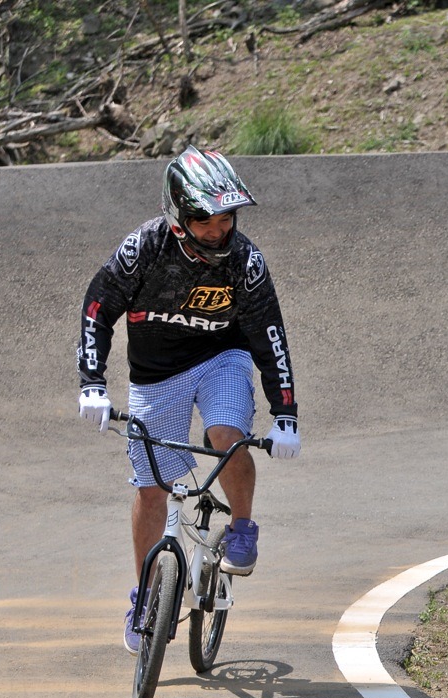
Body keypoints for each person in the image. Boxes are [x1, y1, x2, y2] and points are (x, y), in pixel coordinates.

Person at [76, 146, 300, 656]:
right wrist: (92, 381)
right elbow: (96, 309)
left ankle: (242, 527)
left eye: (226, 218)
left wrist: (285, 413)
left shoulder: (246, 262)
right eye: (205, 219)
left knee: (226, 436)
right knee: (152, 488)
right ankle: (145, 597)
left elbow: (271, 337)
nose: (218, 230)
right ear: (178, 215)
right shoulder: (143, 249)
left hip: (223, 357)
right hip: (156, 375)